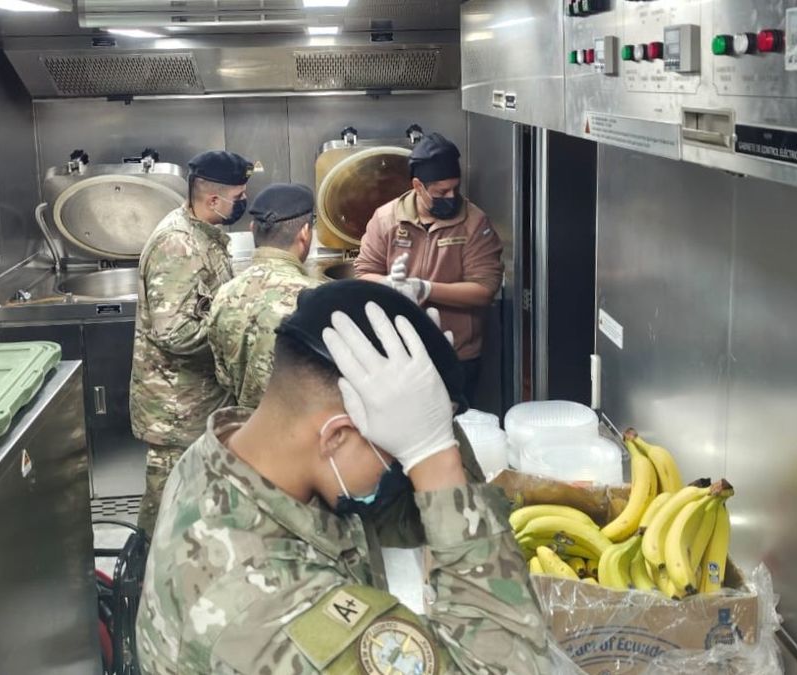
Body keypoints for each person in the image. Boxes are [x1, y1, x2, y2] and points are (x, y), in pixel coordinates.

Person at [136, 280, 548, 674]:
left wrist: (436, 415)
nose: (404, 471)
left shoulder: (242, 450)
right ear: (336, 436)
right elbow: (512, 663)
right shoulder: (267, 608)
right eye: (397, 455)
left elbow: (410, 520)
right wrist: (432, 457)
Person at [129, 150, 254, 535]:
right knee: (166, 517)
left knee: (194, 514)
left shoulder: (205, 233)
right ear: (213, 200)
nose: (244, 203)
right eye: (239, 196)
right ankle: (142, 585)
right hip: (177, 412)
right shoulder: (178, 245)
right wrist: (235, 328)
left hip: (199, 403)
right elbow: (173, 333)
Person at [354, 132, 504, 404]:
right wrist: (389, 285)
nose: (451, 196)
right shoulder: (387, 219)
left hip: (456, 354)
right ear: (417, 186)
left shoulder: (474, 223)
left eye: (455, 189)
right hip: (397, 354)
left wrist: (425, 289)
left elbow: (484, 289)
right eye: (441, 192)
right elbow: (363, 272)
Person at [207, 183, 321, 409]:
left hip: (246, 432)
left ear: (252, 228)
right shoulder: (313, 299)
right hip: (302, 434)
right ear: (305, 233)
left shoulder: (225, 293)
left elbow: (224, 377)